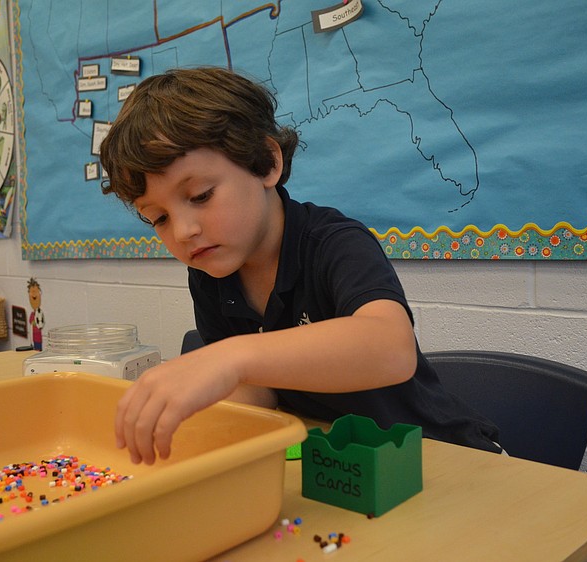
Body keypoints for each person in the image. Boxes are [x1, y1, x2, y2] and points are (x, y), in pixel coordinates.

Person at [99, 67, 501, 465]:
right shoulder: (209, 272)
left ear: (266, 163)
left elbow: (391, 350)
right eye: (159, 219)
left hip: (444, 457)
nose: (183, 231)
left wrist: (229, 358)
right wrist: (198, 407)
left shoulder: (334, 242)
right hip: (343, 465)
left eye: (201, 195)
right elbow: (261, 391)